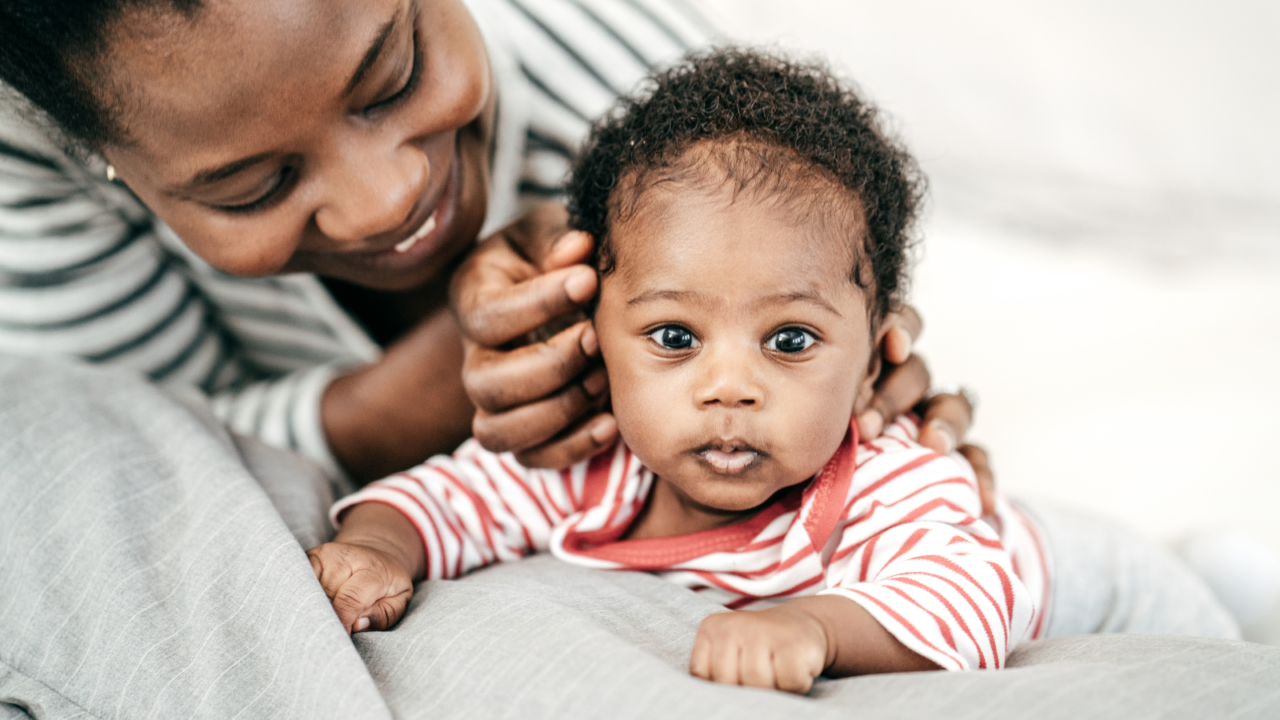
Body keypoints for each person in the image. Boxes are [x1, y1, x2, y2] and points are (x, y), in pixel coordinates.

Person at [0, 1, 978, 717]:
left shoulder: (691, 144)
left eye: (390, 76)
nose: (383, 199)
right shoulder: (586, 482)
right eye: (254, 187)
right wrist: (407, 433)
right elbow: (126, 453)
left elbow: (959, 577)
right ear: (107, 170)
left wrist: (824, 595)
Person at [306, 49, 1237, 696]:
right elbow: (451, 498)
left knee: (1224, 634)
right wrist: (382, 549)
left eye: (789, 342)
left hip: (1108, 583)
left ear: (876, 363)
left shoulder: (891, 481)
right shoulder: (590, 464)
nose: (728, 387)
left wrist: (816, 627)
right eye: (673, 338)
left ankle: (1223, 571)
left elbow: (968, 604)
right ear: (594, 334)